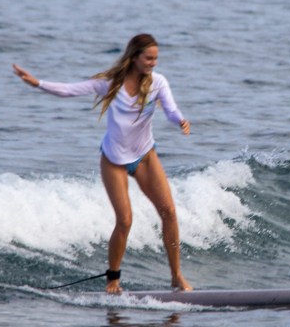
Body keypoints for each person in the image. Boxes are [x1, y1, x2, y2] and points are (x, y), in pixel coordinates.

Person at [13, 33, 193, 294]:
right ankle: (113, 279)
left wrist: (180, 121)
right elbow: (70, 90)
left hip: (145, 156)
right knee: (125, 220)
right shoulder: (111, 84)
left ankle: (176, 276)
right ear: (134, 57)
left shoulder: (158, 83)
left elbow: (171, 109)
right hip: (114, 160)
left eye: (156, 58)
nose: (153, 63)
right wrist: (37, 83)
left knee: (170, 213)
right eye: (148, 58)